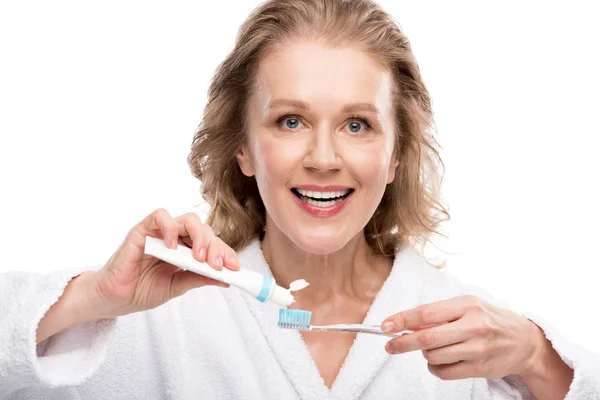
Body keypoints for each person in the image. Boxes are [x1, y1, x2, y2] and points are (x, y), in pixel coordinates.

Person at [1, 0, 599, 399]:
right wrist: (91, 297)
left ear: (395, 156)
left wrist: (539, 357)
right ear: (242, 148)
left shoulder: (468, 335)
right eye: (289, 121)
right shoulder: (150, 318)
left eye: (358, 125)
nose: (322, 157)